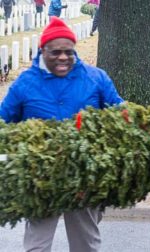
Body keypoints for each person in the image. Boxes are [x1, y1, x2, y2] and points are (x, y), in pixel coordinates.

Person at [0, 16, 124, 251]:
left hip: (85, 177)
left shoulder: (95, 78)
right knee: (37, 245)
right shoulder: (25, 83)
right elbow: (3, 120)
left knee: (85, 243)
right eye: (55, 52)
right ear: (43, 50)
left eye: (68, 51)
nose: (63, 57)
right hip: (40, 177)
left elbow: (119, 112)